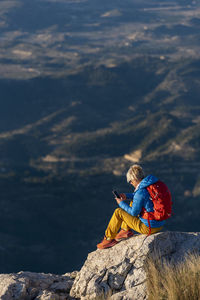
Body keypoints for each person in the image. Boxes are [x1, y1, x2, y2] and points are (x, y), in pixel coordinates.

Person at [97, 164, 165, 249]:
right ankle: (125, 231)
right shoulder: (150, 184)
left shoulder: (140, 192)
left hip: (149, 228)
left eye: (130, 181)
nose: (131, 183)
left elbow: (134, 212)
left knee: (118, 212)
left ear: (134, 179)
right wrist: (126, 196)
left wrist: (121, 203)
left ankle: (108, 239)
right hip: (159, 224)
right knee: (133, 202)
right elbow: (141, 196)